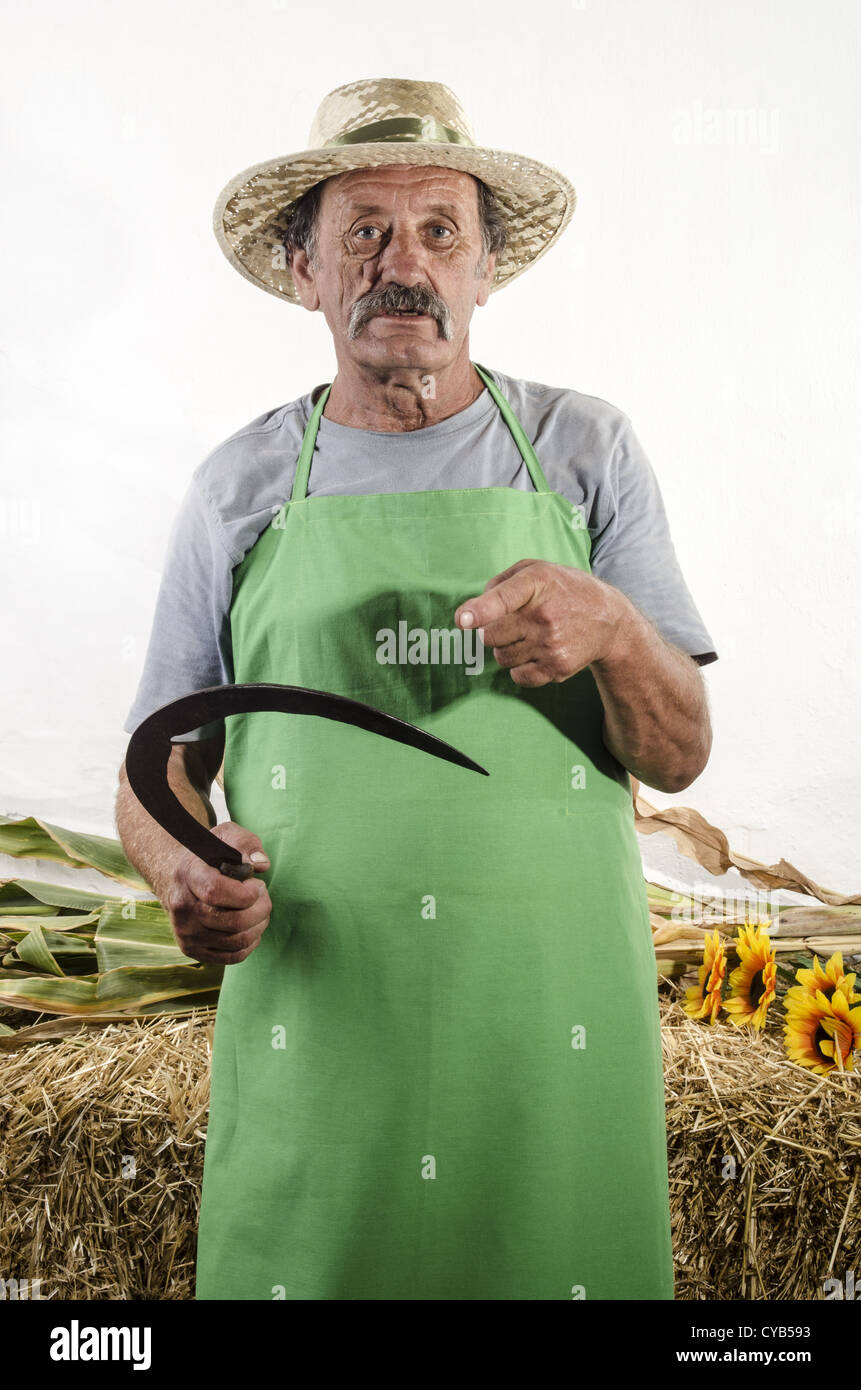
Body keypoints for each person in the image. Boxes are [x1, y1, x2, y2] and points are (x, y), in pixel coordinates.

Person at [116, 78, 717, 1301]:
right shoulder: (238, 486)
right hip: (324, 1020)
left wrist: (611, 629)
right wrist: (182, 863)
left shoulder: (585, 451)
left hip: (551, 1024)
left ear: (487, 267)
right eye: (365, 232)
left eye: (441, 230)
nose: (407, 264)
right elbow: (156, 761)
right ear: (305, 270)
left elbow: (682, 753)